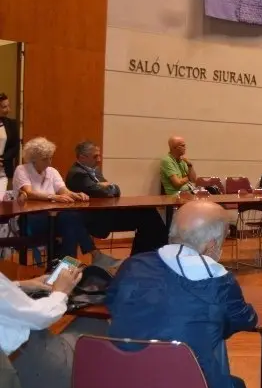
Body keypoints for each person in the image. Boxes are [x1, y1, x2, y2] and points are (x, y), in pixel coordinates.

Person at [89, 201, 257, 388]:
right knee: (234, 387)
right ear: (211, 245)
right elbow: (246, 319)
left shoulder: (132, 266)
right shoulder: (218, 281)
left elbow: (113, 303)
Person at [2, 263, 102, 388]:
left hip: (16, 374)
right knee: (97, 325)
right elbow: (42, 316)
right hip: (32, 381)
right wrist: (61, 292)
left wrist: (20, 285)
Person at [13, 137, 118, 268]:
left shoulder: (52, 171)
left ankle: (68, 265)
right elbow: (28, 192)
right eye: (45, 159)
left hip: (53, 217)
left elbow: (64, 190)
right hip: (30, 220)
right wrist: (53, 197)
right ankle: (89, 257)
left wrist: (76, 194)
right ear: (33, 159)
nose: (49, 162)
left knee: (72, 219)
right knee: (71, 221)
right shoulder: (22, 170)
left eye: (50, 157)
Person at [66, 141, 167, 256]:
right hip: (95, 218)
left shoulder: (95, 170)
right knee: (146, 216)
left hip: (107, 213)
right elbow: (105, 193)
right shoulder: (77, 174)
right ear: (82, 157)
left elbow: (114, 190)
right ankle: (144, 257)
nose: (99, 159)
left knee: (148, 212)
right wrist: (107, 187)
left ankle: (144, 255)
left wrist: (109, 187)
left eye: (99, 155)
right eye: (95, 156)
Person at [0, 93, 21, 193]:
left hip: (5, 170)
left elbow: (15, 146)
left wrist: (2, 159)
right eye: (4, 107)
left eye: (8, 106)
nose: (9, 110)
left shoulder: (12, 124)